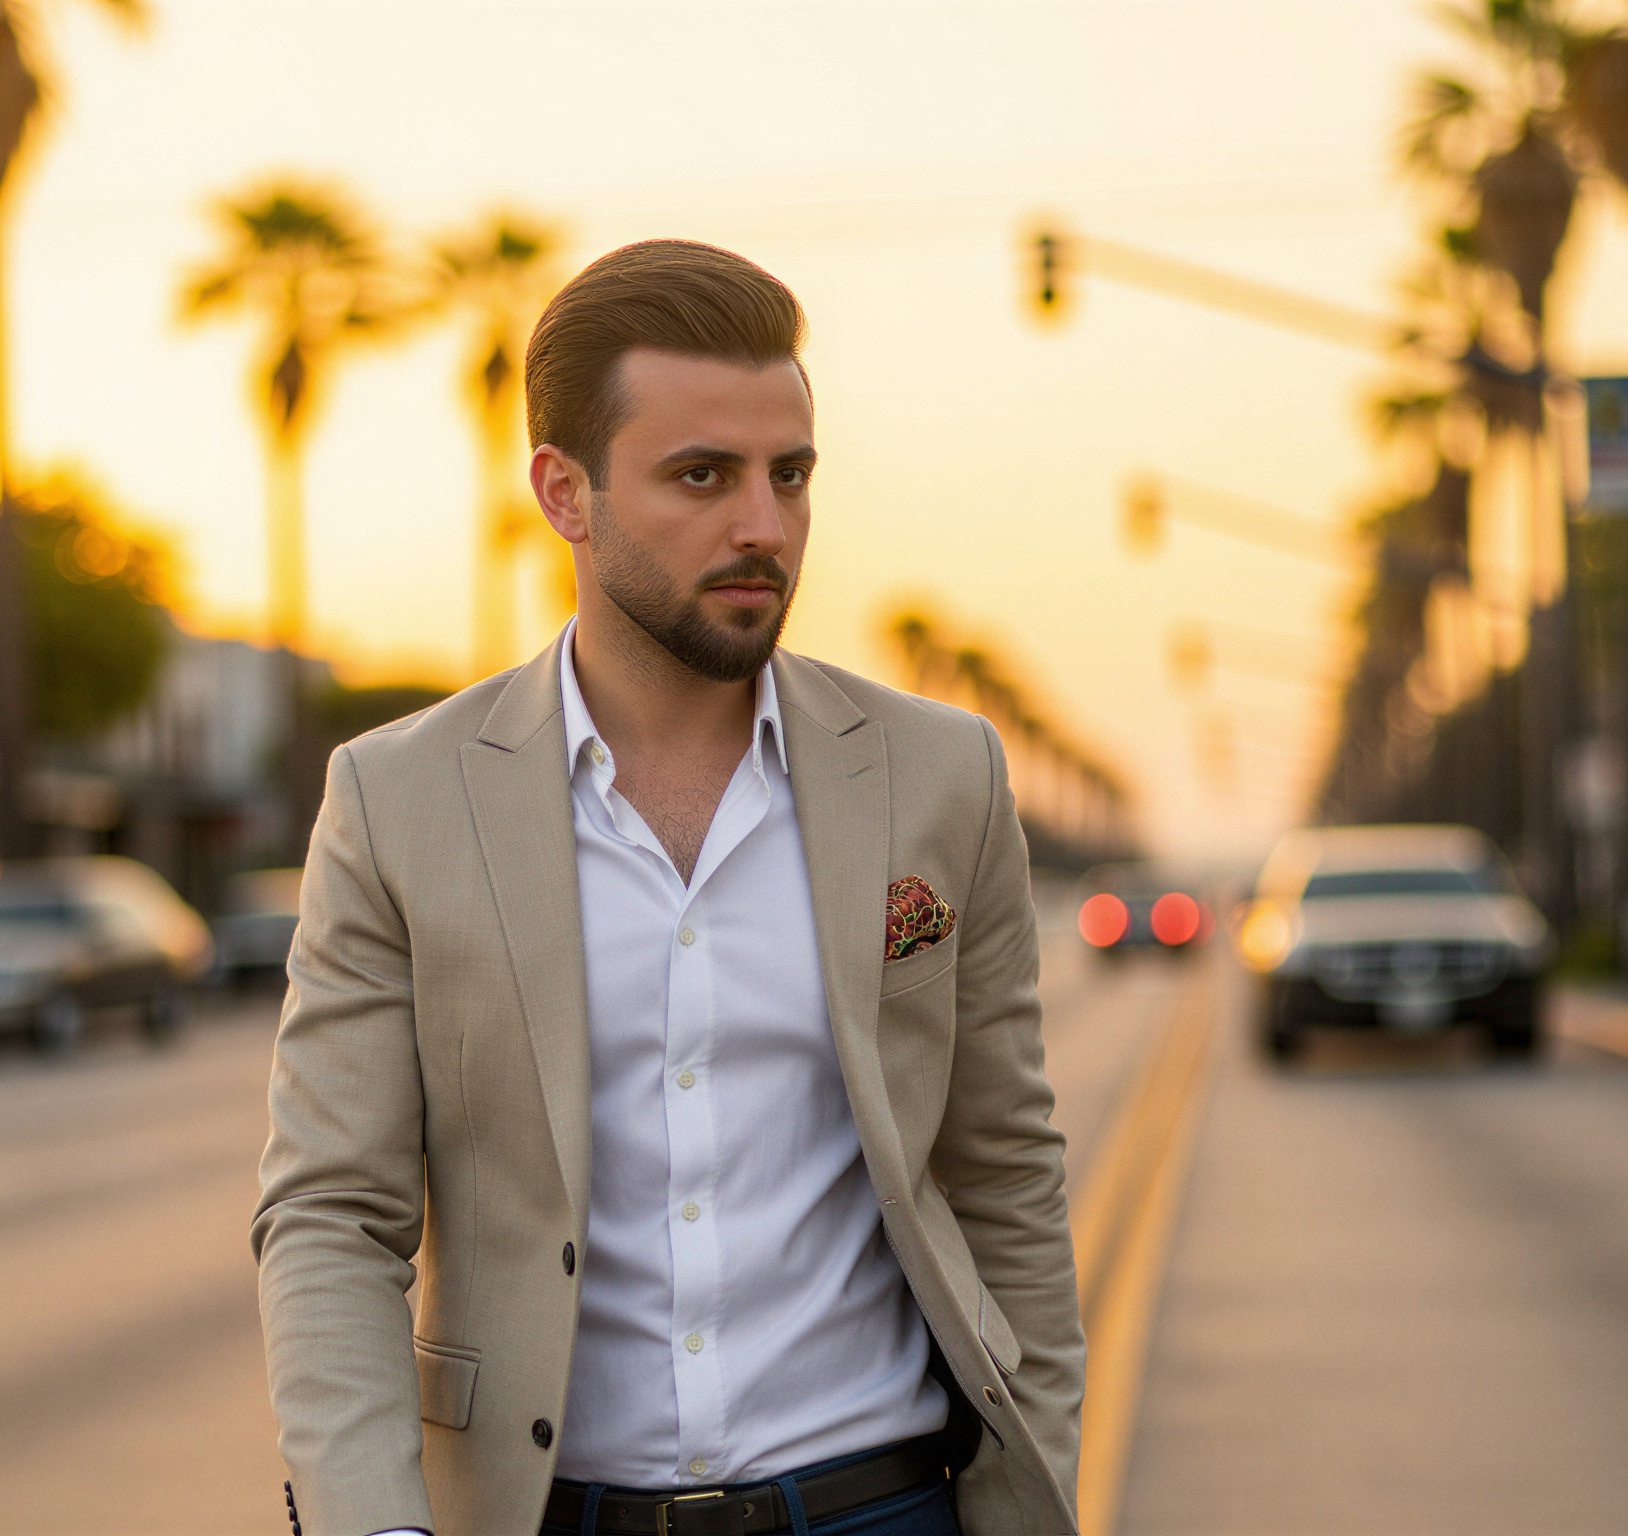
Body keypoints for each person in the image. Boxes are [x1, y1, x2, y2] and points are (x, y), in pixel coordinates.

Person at [254, 239, 1084, 1536]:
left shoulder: (941, 776)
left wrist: (1036, 1503)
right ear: (564, 494)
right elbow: (330, 1213)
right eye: (702, 475)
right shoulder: (396, 801)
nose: (763, 524)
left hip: (880, 1506)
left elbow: (1004, 1175)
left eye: (790, 475)